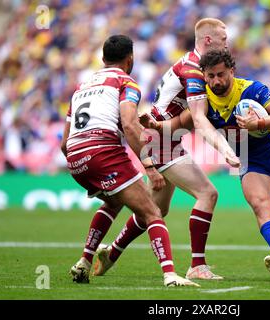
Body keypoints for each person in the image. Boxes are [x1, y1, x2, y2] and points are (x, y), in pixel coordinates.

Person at [154, 49, 270, 281]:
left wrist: (260, 122)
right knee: (261, 206)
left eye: (221, 74)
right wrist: (153, 125)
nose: (216, 81)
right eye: (210, 76)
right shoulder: (202, 103)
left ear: (232, 71)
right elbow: (179, 123)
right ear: (204, 75)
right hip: (251, 161)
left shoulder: (251, 89)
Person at [93, 18, 238, 281]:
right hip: (160, 139)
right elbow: (198, 119)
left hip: (162, 135)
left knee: (155, 210)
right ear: (208, 40)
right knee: (208, 193)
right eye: (224, 39)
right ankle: (197, 265)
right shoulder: (194, 70)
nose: (227, 44)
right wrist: (225, 149)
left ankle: (111, 253)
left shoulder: (196, 64)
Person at [60, 34, 199, 287]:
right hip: (103, 151)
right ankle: (170, 275)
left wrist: (82, 163)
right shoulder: (125, 82)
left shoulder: (81, 87)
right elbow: (130, 126)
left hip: (75, 158)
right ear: (130, 59)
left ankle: (84, 261)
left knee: (113, 202)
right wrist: (150, 167)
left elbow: (63, 143)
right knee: (152, 212)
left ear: (103, 59)